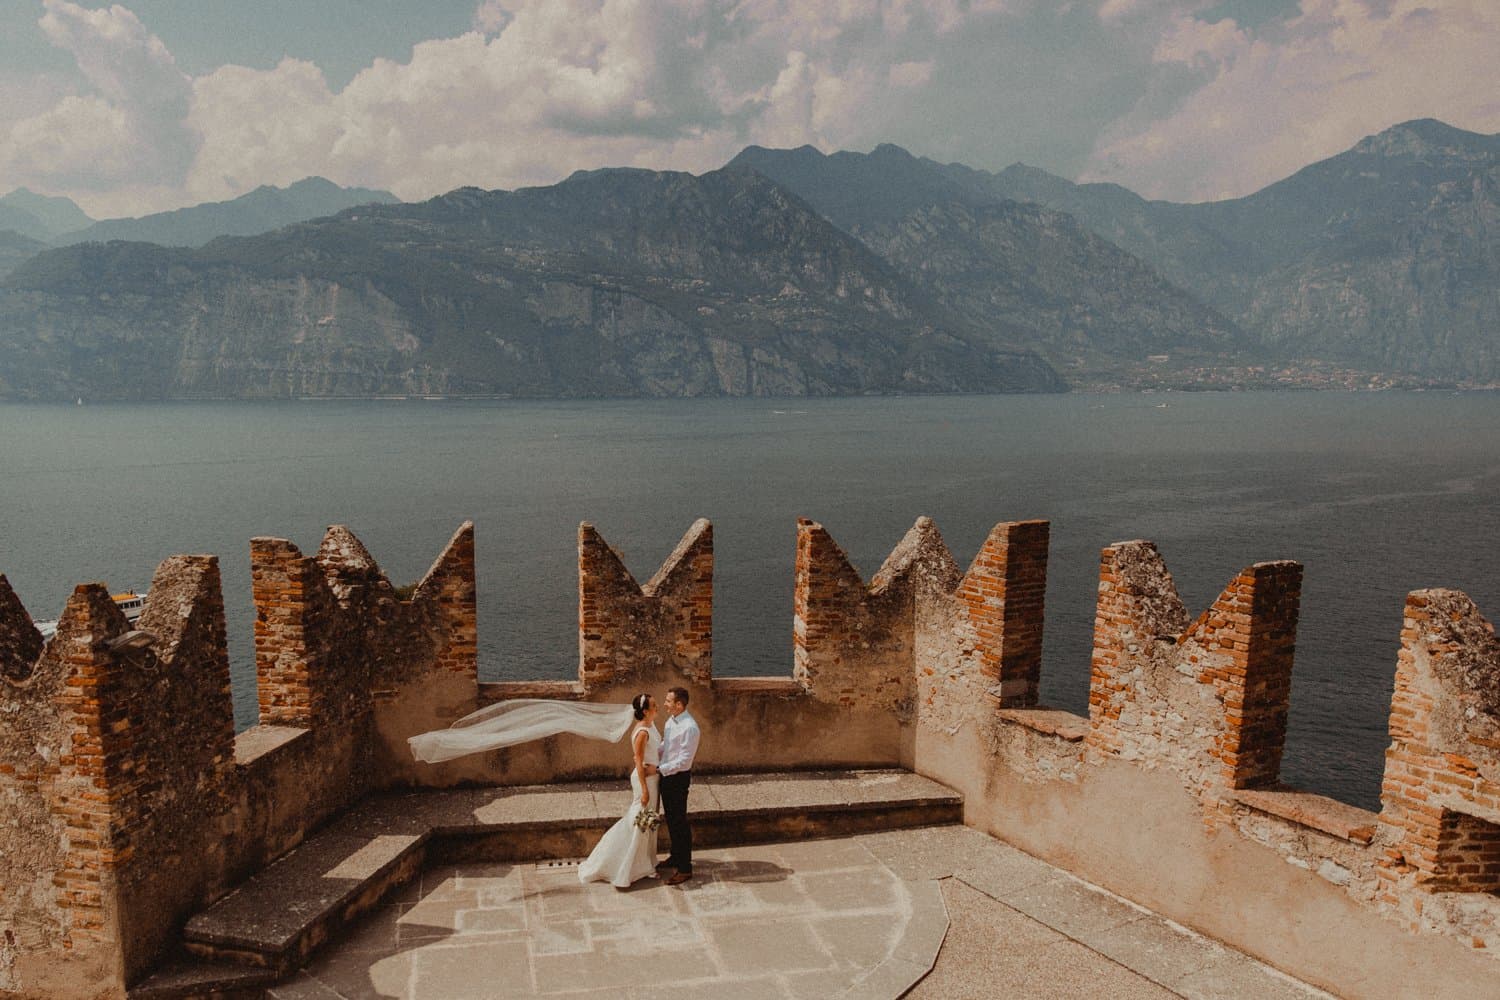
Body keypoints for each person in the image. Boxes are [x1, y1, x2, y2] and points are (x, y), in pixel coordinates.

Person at [577, 693, 661, 888]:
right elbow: (639, 763)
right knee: (639, 821)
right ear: (646, 711)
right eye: (654, 705)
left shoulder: (650, 726)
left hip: (652, 779)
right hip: (645, 781)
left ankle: (645, 862)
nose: (658, 708)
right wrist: (644, 790)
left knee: (647, 822)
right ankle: (623, 864)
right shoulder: (642, 733)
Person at [655, 686, 701, 885]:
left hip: (678, 778)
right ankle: (675, 856)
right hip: (666, 775)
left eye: (668, 701)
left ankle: (685, 868)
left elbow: (684, 761)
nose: (665, 704)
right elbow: (665, 746)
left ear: (679, 705)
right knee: (671, 820)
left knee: (679, 822)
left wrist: (659, 770)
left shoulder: (690, 728)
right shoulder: (670, 721)